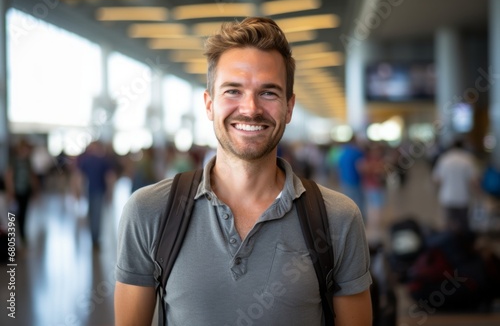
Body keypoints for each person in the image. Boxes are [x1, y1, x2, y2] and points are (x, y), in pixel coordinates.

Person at [114, 17, 372, 326]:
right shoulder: (150, 211)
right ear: (209, 104)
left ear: (289, 108)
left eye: (268, 93)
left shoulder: (337, 219)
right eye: (233, 91)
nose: (250, 108)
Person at [432, 139, 479, 233]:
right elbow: (473, 181)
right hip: (463, 198)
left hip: (447, 198)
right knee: (464, 225)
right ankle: (464, 245)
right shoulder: (468, 159)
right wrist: (480, 195)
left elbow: (436, 180)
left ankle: (452, 245)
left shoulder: (444, 159)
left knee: (450, 226)